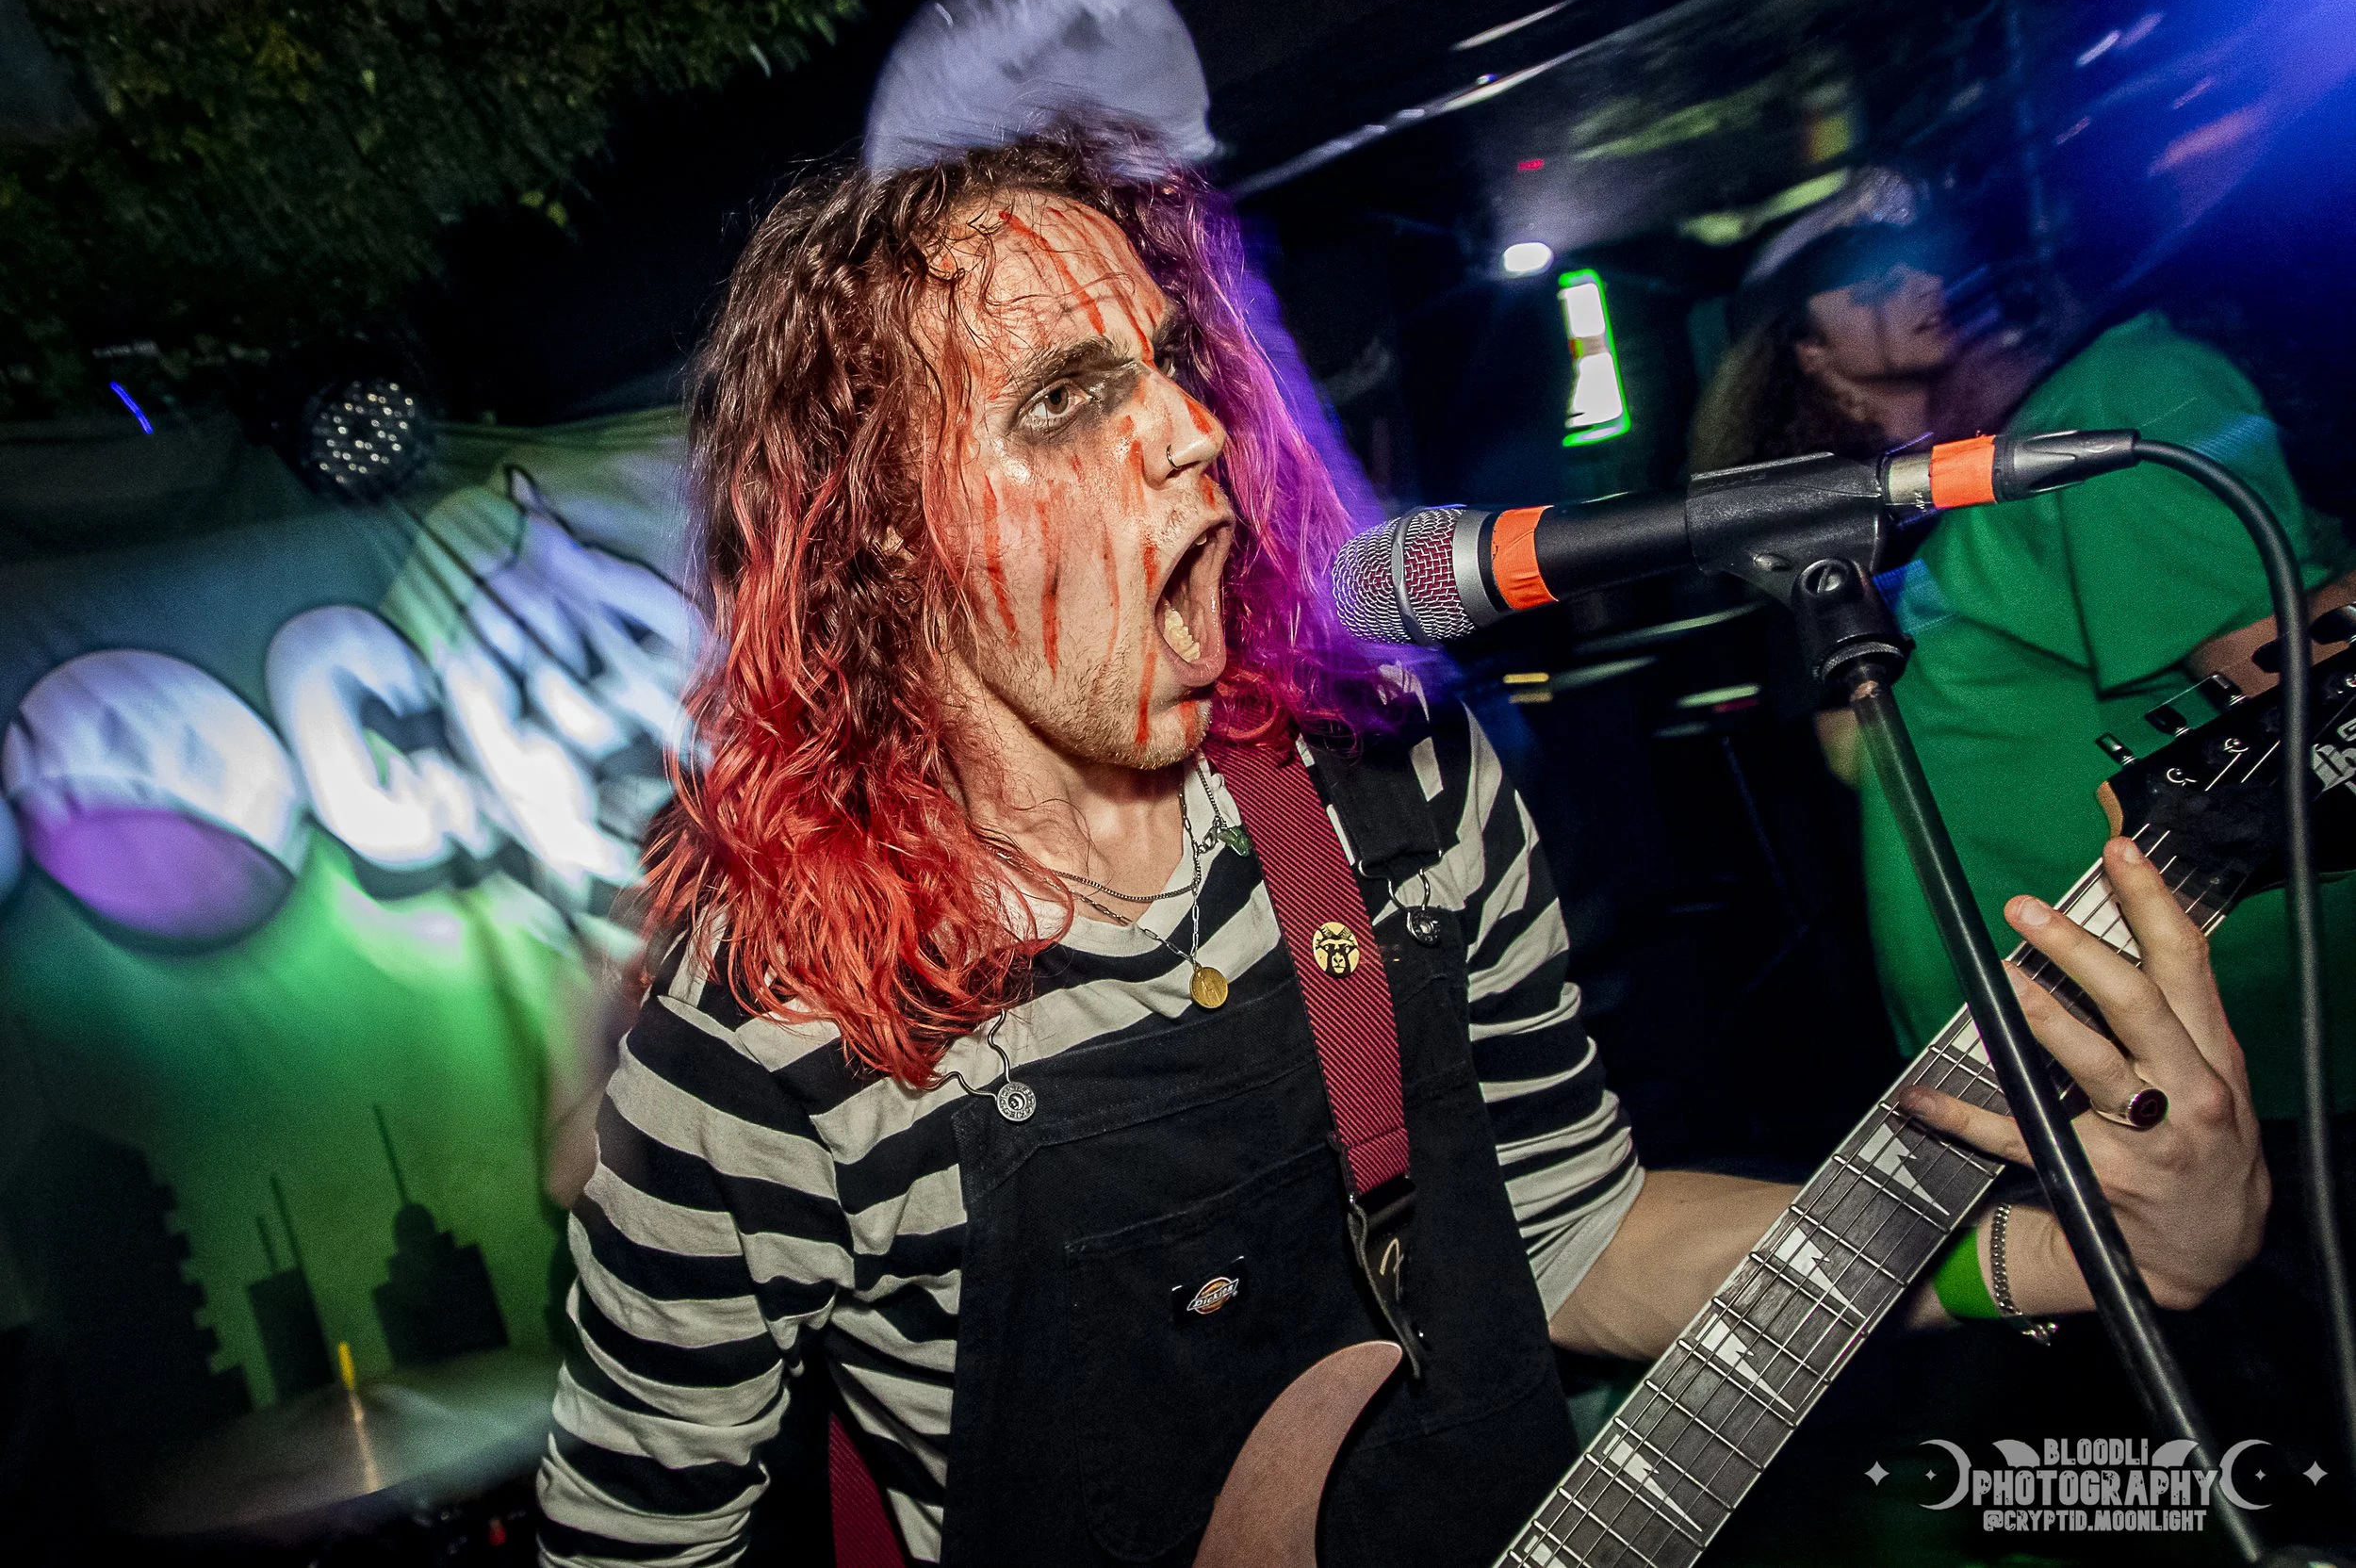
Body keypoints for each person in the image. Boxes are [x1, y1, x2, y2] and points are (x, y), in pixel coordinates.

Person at [536, 127, 2269, 1568]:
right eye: (1065, 397)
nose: (1191, 427)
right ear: (876, 541)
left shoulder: (1402, 789)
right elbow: (630, 1541)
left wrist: (2076, 1251)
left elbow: (1576, 1237)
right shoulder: (761, 1030)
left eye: (1170, 364)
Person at [1694, 172, 2356, 1132]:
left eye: (1924, 264)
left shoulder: (2025, 432)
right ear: (1806, 349)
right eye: (1874, 283)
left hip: (2097, 978)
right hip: (2076, 968)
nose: (1923, 285)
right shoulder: (1818, 518)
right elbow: (1853, 749)